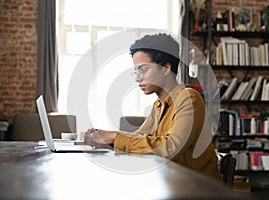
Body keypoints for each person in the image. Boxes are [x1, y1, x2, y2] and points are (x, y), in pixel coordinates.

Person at [84, 33, 220, 180]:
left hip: (198, 188)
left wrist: (114, 137)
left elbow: (171, 147)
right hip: (172, 181)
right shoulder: (158, 105)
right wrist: (106, 139)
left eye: (143, 70)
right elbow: (139, 135)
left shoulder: (188, 98)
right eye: (135, 71)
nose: (137, 78)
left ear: (166, 68)